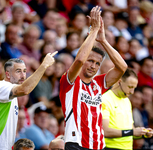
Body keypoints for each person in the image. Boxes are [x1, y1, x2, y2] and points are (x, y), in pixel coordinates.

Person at [59, 6, 127, 149]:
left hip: (98, 146)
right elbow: (79, 60)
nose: (93, 66)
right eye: (90, 61)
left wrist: (103, 40)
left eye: (97, 63)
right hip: (76, 144)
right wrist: (93, 31)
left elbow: (122, 67)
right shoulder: (70, 80)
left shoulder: (98, 83)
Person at [0, 51, 57, 150]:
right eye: (18, 71)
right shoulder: (1, 86)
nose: (23, 75)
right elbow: (25, 89)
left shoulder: (12, 95)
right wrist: (44, 65)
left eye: (25, 71)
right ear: (8, 74)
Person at [102, 68, 153, 150]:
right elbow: (105, 131)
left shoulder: (127, 100)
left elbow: (130, 131)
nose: (132, 92)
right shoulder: (105, 99)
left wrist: (142, 133)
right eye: (130, 87)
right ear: (119, 82)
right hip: (110, 147)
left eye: (134, 88)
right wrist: (132, 132)